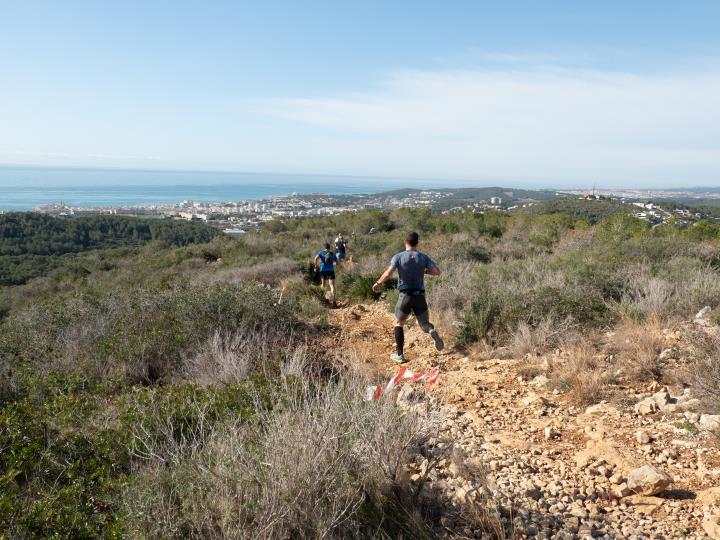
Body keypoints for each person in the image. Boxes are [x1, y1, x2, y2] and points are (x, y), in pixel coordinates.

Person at [372, 231, 444, 362]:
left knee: (399, 323)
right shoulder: (423, 257)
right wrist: (425, 271)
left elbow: (388, 273)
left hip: (405, 297)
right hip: (419, 297)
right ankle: (431, 330)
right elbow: (437, 272)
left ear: (405, 242)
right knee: (424, 324)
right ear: (417, 243)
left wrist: (378, 283)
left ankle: (399, 355)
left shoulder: (398, 257)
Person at [314, 242, 338, 306]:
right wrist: (334, 263)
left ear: (324, 247)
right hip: (331, 270)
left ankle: (323, 300)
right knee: (332, 285)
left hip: (323, 270)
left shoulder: (321, 253)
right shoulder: (332, 253)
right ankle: (334, 301)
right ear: (329, 247)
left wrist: (315, 267)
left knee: (323, 285)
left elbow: (316, 258)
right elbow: (336, 262)